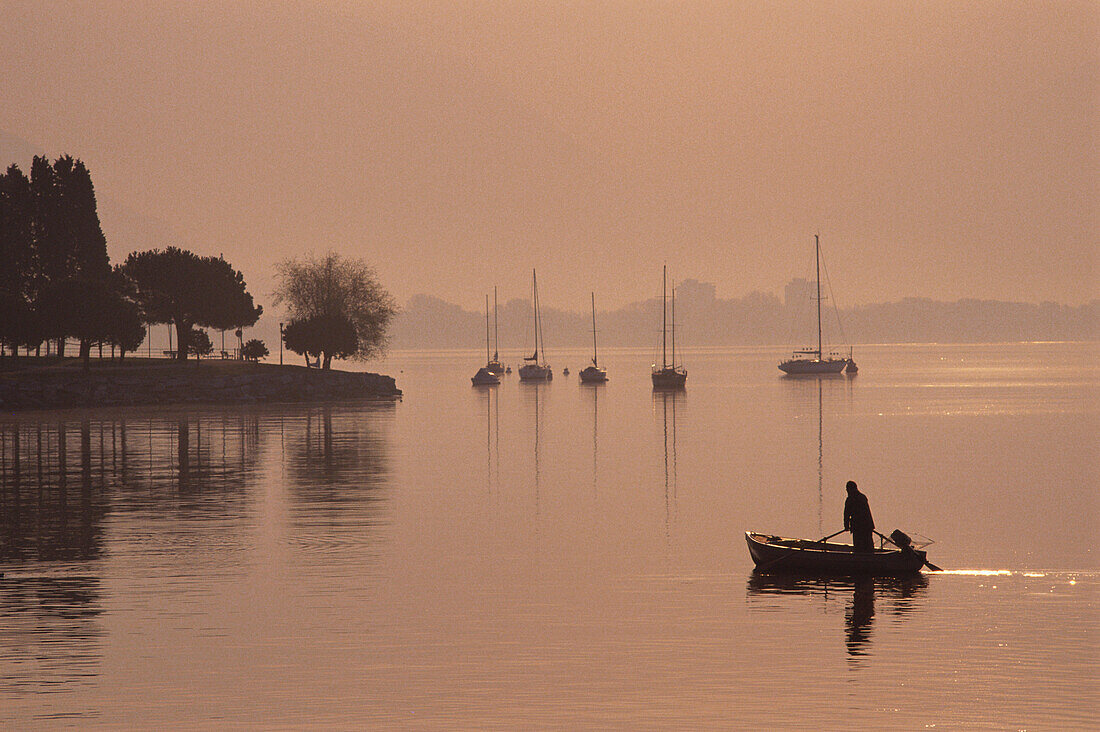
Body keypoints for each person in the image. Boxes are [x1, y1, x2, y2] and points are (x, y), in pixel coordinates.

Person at [843, 480, 875, 552]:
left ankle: (861, 558)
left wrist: (846, 526)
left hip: (858, 527)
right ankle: (870, 557)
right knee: (868, 546)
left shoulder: (850, 499)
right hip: (867, 526)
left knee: (859, 547)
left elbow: (847, 514)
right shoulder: (863, 497)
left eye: (847, 489)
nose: (847, 491)